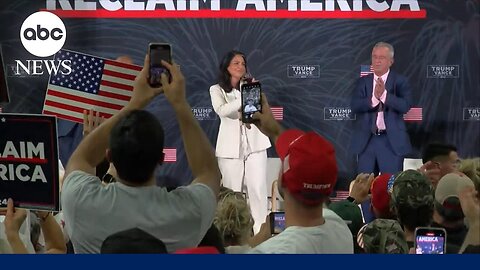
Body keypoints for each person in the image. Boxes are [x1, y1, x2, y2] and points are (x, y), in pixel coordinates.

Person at [61, 55, 221, 253]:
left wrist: (134, 103)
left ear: (109, 156)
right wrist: (180, 103)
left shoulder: (81, 202)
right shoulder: (188, 212)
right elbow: (208, 171)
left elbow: (81, 159)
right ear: (162, 159)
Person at [247, 94, 353, 254]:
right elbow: (311, 171)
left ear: (281, 180)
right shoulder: (340, 230)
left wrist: (254, 241)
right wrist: (275, 132)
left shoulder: (267, 252)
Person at [209, 50, 271, 233]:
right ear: (226, 67)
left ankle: (260, 232)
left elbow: (258, 111)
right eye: (236, 63)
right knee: (231, 191)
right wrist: (244, 97)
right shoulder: (216, 89)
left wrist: (250, 94)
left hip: (256, 145)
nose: (240, 66)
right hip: (230, 149)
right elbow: (222, 110)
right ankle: (231, 233)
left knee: (258, 190)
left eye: (243, 63)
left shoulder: (252, 86)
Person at [350, 42, 412, 176]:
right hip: (366, 141)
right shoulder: (363, 82)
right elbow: (354, 105)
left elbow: (405, 106)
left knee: (389, 188)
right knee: (364, 187)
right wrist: (373, 99)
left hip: (390, 142)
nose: (377, 61)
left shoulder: (400, 81)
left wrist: (384, 95)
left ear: (391, 61)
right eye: (374, 57)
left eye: (381, 58)